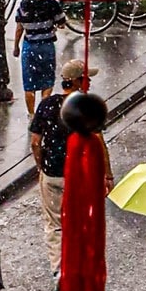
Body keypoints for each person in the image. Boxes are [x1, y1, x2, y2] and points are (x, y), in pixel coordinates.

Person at [30, 57, 112, 274]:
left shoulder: (47, 105)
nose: (89, 83)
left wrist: (41, 167)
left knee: (55, 225)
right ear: (77, 81)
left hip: (52, 173)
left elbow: (35, 142)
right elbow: (99, 143)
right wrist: (107, 175)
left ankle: (59, 270)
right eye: (86, 79)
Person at [13, 0, 62, 113]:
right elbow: (62, 24)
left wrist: (16, 47)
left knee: (29, 83)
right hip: (46, 46)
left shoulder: (24, 6)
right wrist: (52, 28)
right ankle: (43, 111)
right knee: (47, 81)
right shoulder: (52, 5)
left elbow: (19, 28)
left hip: (29, 47)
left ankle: (31, 114)